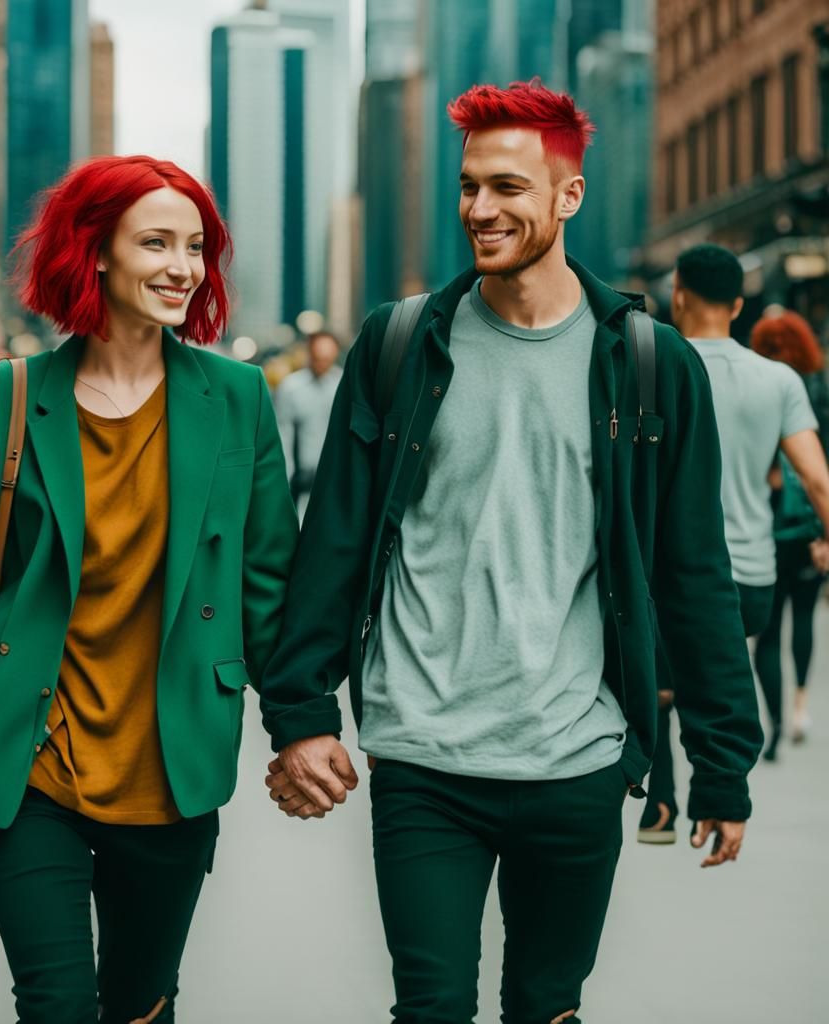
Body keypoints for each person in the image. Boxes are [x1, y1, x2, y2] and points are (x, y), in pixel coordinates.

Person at [260, 80, 763, 1024]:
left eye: (505, 187)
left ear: (567, 197)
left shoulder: (653, 363)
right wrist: (301, 711)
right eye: (466, 187)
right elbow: (334, 541)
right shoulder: (402, 344)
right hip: (424, 756)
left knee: (546, 1005)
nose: (478, 209)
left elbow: (693, 573)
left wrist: (722, 760)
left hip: (575, 759)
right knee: (432, 1007)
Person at [0, 155, 297, 1024]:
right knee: (56, 1006)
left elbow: (268, 585)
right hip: (28, 768)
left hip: (171, 771)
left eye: (195, 247)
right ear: (97, 253)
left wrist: (302, 728)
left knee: (141, 1004)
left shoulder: (237, 398)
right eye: (156, 242)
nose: (182, 268)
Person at [638, 247, 829, 840]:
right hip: (752, 577)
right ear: (739, 304)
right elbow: (817, 478)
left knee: (663, 668)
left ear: (679, 294)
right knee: (718, 655)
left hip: (669, 574)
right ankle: (719, 775)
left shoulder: (652, 368)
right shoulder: (779, 380)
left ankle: (661, 799)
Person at [751, 311, 829, 755]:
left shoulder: (760, 387)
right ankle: (800, 705)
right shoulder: (816, 391)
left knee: (770, 628)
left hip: (766, 526)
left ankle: (775, 721)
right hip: (809, 527)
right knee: (803, 617)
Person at [273, 330, 342, 516]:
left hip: (336, 475)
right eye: (319, 357)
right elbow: (283, 433)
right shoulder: (291, 388)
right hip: (302, 477)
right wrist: (284, 478)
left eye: (327, 358)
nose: (322, 362)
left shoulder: (342, 384)